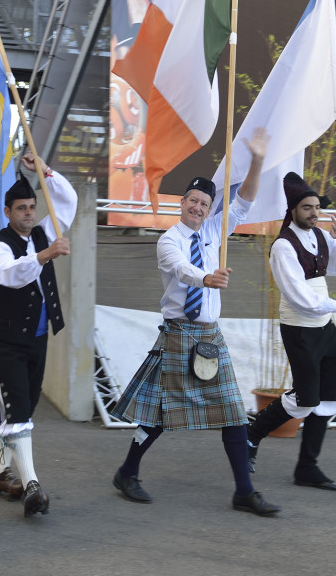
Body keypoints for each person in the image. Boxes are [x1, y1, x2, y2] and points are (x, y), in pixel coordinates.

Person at [111, 129, 281, 515]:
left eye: (205, 203)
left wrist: (256, 159)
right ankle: (127, 471)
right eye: (193, 200)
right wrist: (206, 278)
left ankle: (243, 492)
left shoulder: (213, 231)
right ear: (182, 202)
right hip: (178, 334)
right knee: (160, 413)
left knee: (233, 412)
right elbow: (181, 269)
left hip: (209, 336)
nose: (199, 208)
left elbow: (245, 200)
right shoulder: (167, 240)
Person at [246, 172, 336, 491]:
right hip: (300, 324)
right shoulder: (283, 246)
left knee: (329, 399)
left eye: (316, 207)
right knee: (304, 397)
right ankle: (251, 434)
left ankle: (307, 467)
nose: (314, 212)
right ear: (293, 210)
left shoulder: (322, 237)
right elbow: (298, 295)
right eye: (307, 207)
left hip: (326, 323)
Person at [0, 152, 77, 516]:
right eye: (21, 208)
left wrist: (45, 171)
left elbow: (69, 202)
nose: (29, 213)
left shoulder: (41, 233)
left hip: (38, 338)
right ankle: (32, 485)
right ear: (8, 211)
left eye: (32, 207)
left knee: (24, 408)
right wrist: (46, 254)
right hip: (7, 341)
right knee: (19, 411)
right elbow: (11, 274)